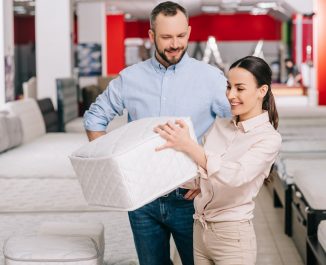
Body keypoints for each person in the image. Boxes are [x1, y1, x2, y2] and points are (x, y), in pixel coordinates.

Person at [83, 1, 230, 265]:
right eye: (166, 37)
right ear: (151, 36)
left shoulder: (211, 79)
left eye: (181, 35)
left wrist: (212, 176)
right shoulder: (130, 78)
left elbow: (240, 126)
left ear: (188, 31)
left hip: (192, 199)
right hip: (142, 200)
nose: (175, 44)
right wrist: (115, 170)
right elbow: (95, 118)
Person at [154, 56, 282, 265]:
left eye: (240, 88)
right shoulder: (220, 125)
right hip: (200, 230)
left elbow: (234, 177)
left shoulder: (268, 138)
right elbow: (201, 172)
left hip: (233, 237)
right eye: (229, 87)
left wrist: (190, 146)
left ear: (262, 91)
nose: (231, 95)